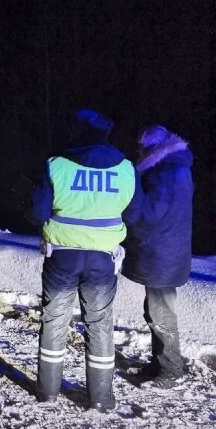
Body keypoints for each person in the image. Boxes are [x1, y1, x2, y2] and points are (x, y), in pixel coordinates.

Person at [25, 108, 142, 412]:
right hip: (103, 260)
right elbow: (134, 214)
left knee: (54, 320)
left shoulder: (56, 165)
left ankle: (47, 391)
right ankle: (101, 398)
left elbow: (36, 212)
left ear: (75, 131)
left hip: (62, 258)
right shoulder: (127, 169)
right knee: (100, 323)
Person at [122, 126, 194, 389]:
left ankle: (171, 369)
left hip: (161, 254)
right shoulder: (175, 168)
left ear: (152, 149)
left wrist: (132, 190)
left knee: (160, 312)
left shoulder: (165, 173)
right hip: (167, 251)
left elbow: (148, 213)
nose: (138, 152)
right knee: (156, 310)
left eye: (141, 148)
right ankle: (161, 362)